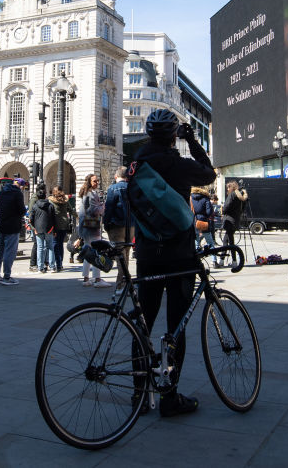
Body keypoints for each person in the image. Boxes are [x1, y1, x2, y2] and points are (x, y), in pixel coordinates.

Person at [128, 108, 216, 417]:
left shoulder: (136, 163)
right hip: (180, 254)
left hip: (148, 253)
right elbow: (209, 172)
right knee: (175, 326)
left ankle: (139, 393)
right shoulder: (177, 163)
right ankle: (170, 397)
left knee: (143, 323)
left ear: (149, 134)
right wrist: (191, 140)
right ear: (172, 136)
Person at [103, 167, 133, 291]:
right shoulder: (132, 188)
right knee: (126, 253)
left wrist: (106, 223)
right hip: (131, 226)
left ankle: (121, 283)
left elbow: (109, 207)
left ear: (116, 176)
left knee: (120, 255)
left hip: (116, 225)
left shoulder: (113, 188)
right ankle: (127, 281)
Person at [0, 179, 26, 285]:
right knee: (9, 251)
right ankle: (7, 276)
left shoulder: (1, 193)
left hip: (1, 225)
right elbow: (21, 210)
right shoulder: (17, 194)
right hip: (13, 226)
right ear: (20, 186)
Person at [77, 174, 107, 288]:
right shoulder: (90, 194)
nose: (97, 183)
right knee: (96, 252)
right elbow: (93, 210)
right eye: (95, 181)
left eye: (97, 181)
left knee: (89, 251)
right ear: (89, 182)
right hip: (92, 226)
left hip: (87, 226)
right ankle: (97, 279)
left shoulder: (88, 193)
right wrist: (103, 206)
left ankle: (86, 278)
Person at [220, 181, 248, 265]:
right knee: (228, 240)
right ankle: (228, 260)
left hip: (229, 220)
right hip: (235, 221)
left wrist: (223, 212)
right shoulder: (241, 197)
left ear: (231, 187)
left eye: (228, 188)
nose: (227, 189)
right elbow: (243, 209)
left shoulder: (232, 195)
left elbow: (226, 207)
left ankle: (230, 261)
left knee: (228, 241)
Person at [29, 185, 56, 273]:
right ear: (45, 196)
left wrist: (34, 228)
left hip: (38, 228)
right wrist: (53, 228)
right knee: (50, 247)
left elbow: (31, 219)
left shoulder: (35, 206)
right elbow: (53, 218)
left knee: (40, 248)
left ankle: (40, 267)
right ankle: (52, 266)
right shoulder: (50, 205)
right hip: (49, 228)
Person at [48, 186, 74, 272]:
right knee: (60, 243)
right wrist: (77, 217)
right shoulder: (65, 200)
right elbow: (71, 210)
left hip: (55, 224)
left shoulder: (50, 201)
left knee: (55, 243)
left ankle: (57, 263)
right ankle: (60, 263)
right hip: (64, 224)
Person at [190, 187, 215, 253]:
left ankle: (197, 259)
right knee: (210, 242)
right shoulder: (205, 198)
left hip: (194, 221)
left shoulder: (191, 198)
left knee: (196, 242)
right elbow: (209, 212)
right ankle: (214, 261)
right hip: (204, 221)